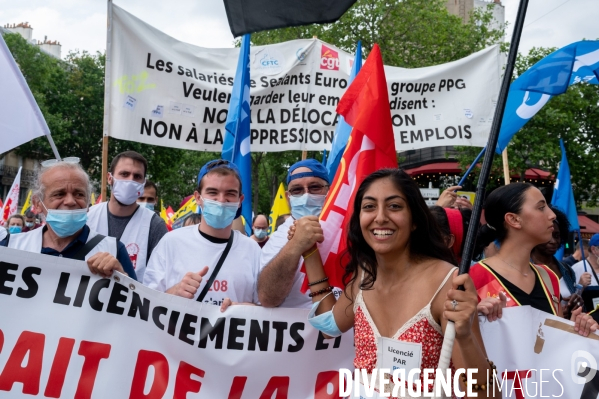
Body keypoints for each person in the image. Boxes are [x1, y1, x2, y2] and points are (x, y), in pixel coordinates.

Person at [294, 169, 496, 396]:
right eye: (369, 206)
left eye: (394, 206)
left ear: (414, 221)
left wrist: (466, 336)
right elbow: (329, 326)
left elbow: (485, 393)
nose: (380, 217)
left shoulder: (449, 284)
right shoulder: (364, 275)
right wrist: (309, 252)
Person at [470, 183, 596, 336]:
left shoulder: (549, 277)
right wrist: (472, 321)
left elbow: (548, 342)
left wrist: (573, 327)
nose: (552, 215)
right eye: (541, 207)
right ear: (514, 219)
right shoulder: (473, 277)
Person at [144, 160, 260, 310]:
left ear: (240, 201)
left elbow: (263, 307)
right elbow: (145, 303)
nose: (221, 200)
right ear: (198, 198)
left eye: (230, 193)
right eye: (213, 192)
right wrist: (175, 292)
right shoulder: (171, 243)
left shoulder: (252, 250)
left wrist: (242, 309)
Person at [0, 159, 136, 279]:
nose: (70, 201)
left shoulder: (114, 249)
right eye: (59, 194)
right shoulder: (11, 247)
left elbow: (138, 305)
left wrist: (122, 279)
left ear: (88, 202)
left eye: (79, 194)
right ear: (37, 203)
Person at [258, 159, 330, 308]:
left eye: (315, 187)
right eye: (297, 190)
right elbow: (267, 299)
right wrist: (295, 244)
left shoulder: (347, 230)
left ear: (328, 191)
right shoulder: (277, 239)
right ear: (287, 197)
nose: (306, 195)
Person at [87, 151, 168, 282]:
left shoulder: (154, 225)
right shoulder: (89, 216)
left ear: (143, 183)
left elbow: (159, 280)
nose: (130, 180)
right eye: (124, 174)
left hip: (132, 300)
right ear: (110, 178)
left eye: (137, 176)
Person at [530, 206, 581, 318]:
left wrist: (576, 302)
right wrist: (556, 311)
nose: (553, 241)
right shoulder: (524, 268)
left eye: (557, 236)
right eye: (548, 235)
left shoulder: (567, 269)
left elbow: (573, 302)